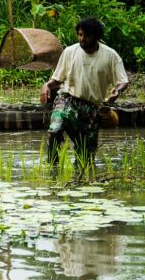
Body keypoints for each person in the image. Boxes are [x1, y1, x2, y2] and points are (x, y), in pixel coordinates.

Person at [40, 17, 128, 169]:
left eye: (86, 36)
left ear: (96, 37)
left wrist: (117, 91)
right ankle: (52, 168)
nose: (82, 39)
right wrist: (46, 85)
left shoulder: (110, 55)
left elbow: (123, 81)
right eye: (80, 35)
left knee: (85, 160)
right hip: (67, 99)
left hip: (92, 108)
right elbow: (57, 79)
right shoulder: (70, 52)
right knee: (54, 130)